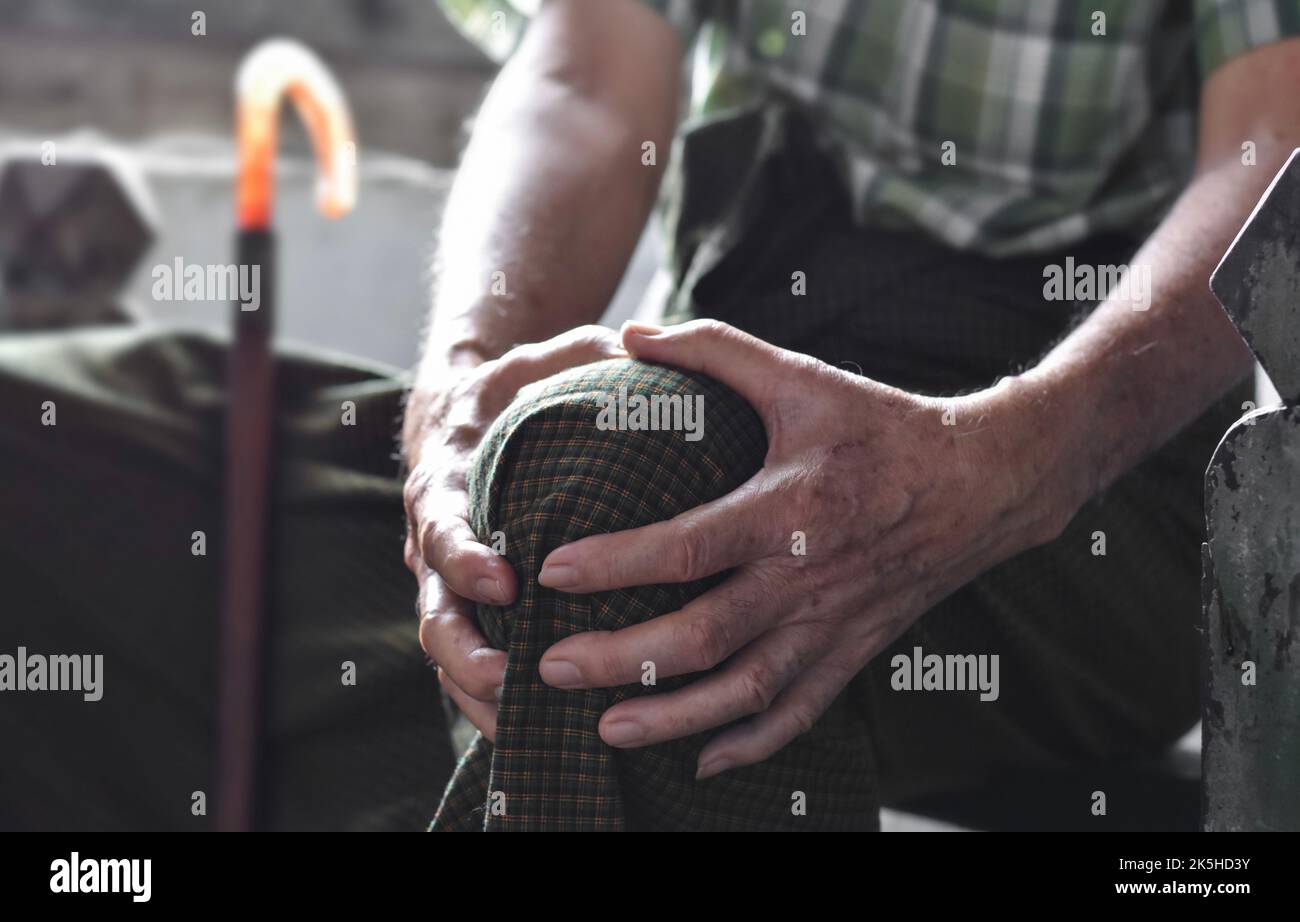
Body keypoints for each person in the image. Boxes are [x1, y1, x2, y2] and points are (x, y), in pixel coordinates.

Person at [406, 0, 1298, 830]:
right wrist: (462, 391)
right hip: (740, 325)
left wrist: (1004, 464)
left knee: (610, 504)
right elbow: (586, 76)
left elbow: (1272, 149)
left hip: (1098, 444)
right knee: (438, 501)